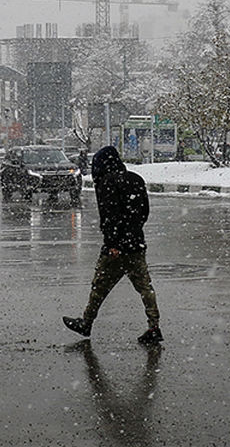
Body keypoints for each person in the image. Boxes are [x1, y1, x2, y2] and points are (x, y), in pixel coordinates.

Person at [63, 145, 162, 344]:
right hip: (136, 244)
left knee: (100, 286)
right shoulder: (135, 179)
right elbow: (143, 212)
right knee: (145, 287)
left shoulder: (106, 183)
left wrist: (113, 243)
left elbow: (109, 216)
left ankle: (86, 323)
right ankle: (154, 326)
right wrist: (133, 233)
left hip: (116, 247)